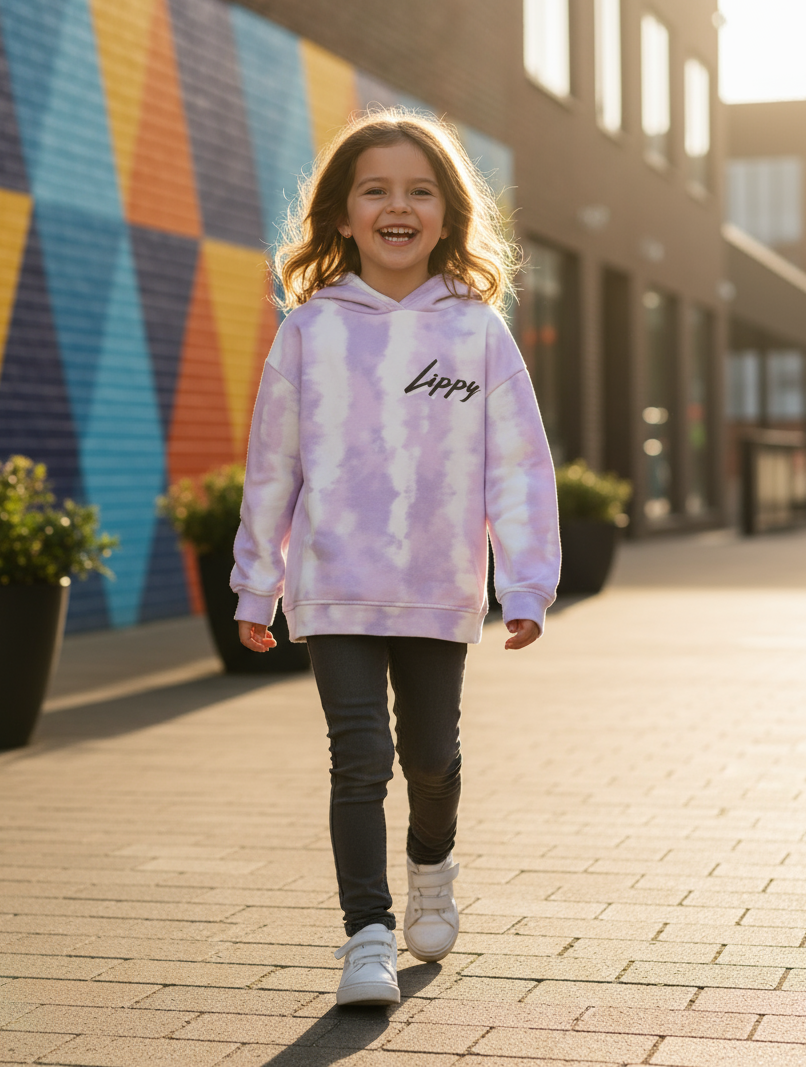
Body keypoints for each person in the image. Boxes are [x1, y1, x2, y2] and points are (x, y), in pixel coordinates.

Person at [230, 109, 560, 1006]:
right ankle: (367, 935)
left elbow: (518, 466)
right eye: (375, 190)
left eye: (419, 191)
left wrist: (526, 583)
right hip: (334, 582)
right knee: (360, 758)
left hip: (436, 587)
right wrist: (257, 584)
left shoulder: (478, 333)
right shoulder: (309, 330)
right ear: (342, 215)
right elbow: (272, 467)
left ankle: (432, 865)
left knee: (431, 761)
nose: (397, 207)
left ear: (448, 214)